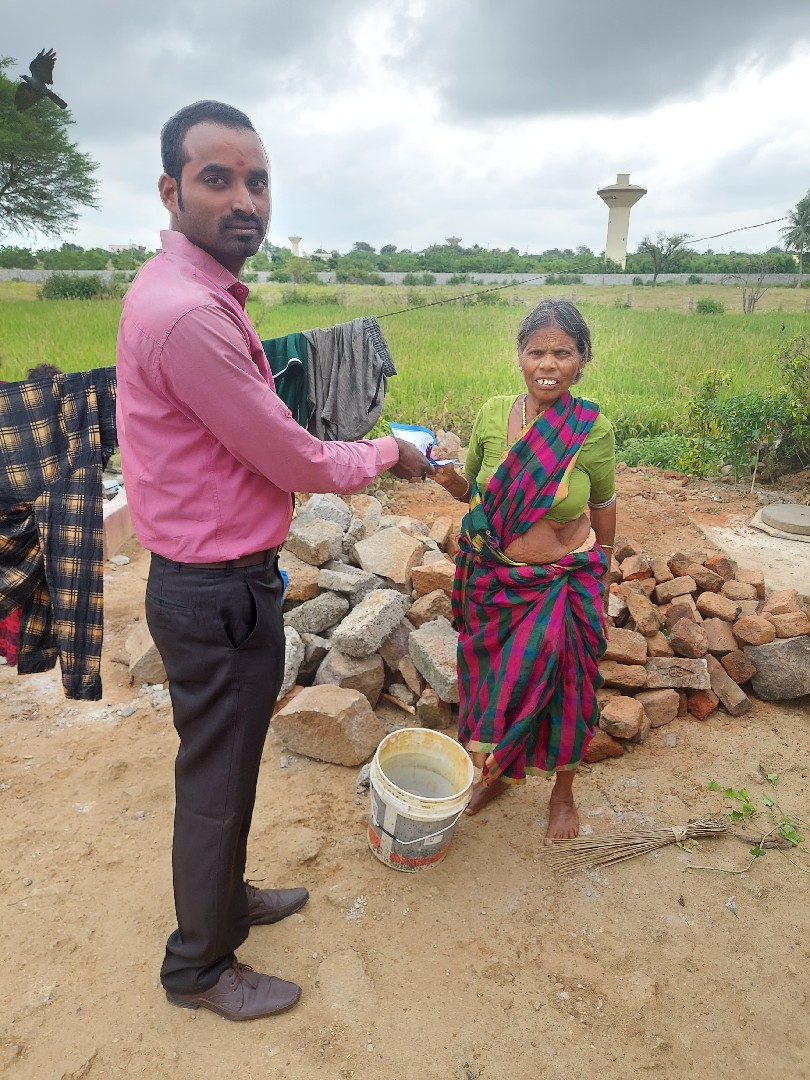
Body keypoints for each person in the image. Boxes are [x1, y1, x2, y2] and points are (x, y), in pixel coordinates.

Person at [115, 100, 433, 1022]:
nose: (245, 199)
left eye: (257, 180)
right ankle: (199, 968)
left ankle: (226, 902)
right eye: (217, 179)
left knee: (226, 765)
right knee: (216, 783)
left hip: (215, 582)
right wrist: (390, 452)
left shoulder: (187, 291)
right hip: (214, 591)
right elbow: (293, 458)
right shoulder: (192, 317)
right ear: (171, 190)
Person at [432, 299, 616, 840]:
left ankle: (563, 793)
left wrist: (604, 570)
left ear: (582, 360)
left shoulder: (590, 427)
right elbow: (472, 491)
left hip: (564, 579)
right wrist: (449, 482)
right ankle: (495, 775)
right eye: (537, 352)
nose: (548, 364)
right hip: (496, 579)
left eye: (563, 353)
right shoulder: (493, 414)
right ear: (520, 356)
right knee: (490, 683)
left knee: (569, 688)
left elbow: (603, 502)